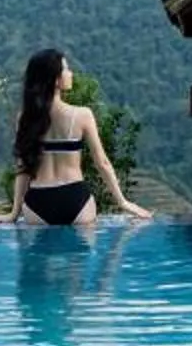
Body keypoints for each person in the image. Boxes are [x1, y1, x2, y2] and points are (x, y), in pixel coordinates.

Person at [9, 47, 151, 226]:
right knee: (80, 253)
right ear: (55, 79)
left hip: (38, 201)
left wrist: (14, 212)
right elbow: (102, 163)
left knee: (39, 253)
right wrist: (122, 202)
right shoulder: (82, 115)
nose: (71, 73)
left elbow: (23, 167)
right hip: (75, 198)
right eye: (66, 69)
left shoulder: (25, 118)